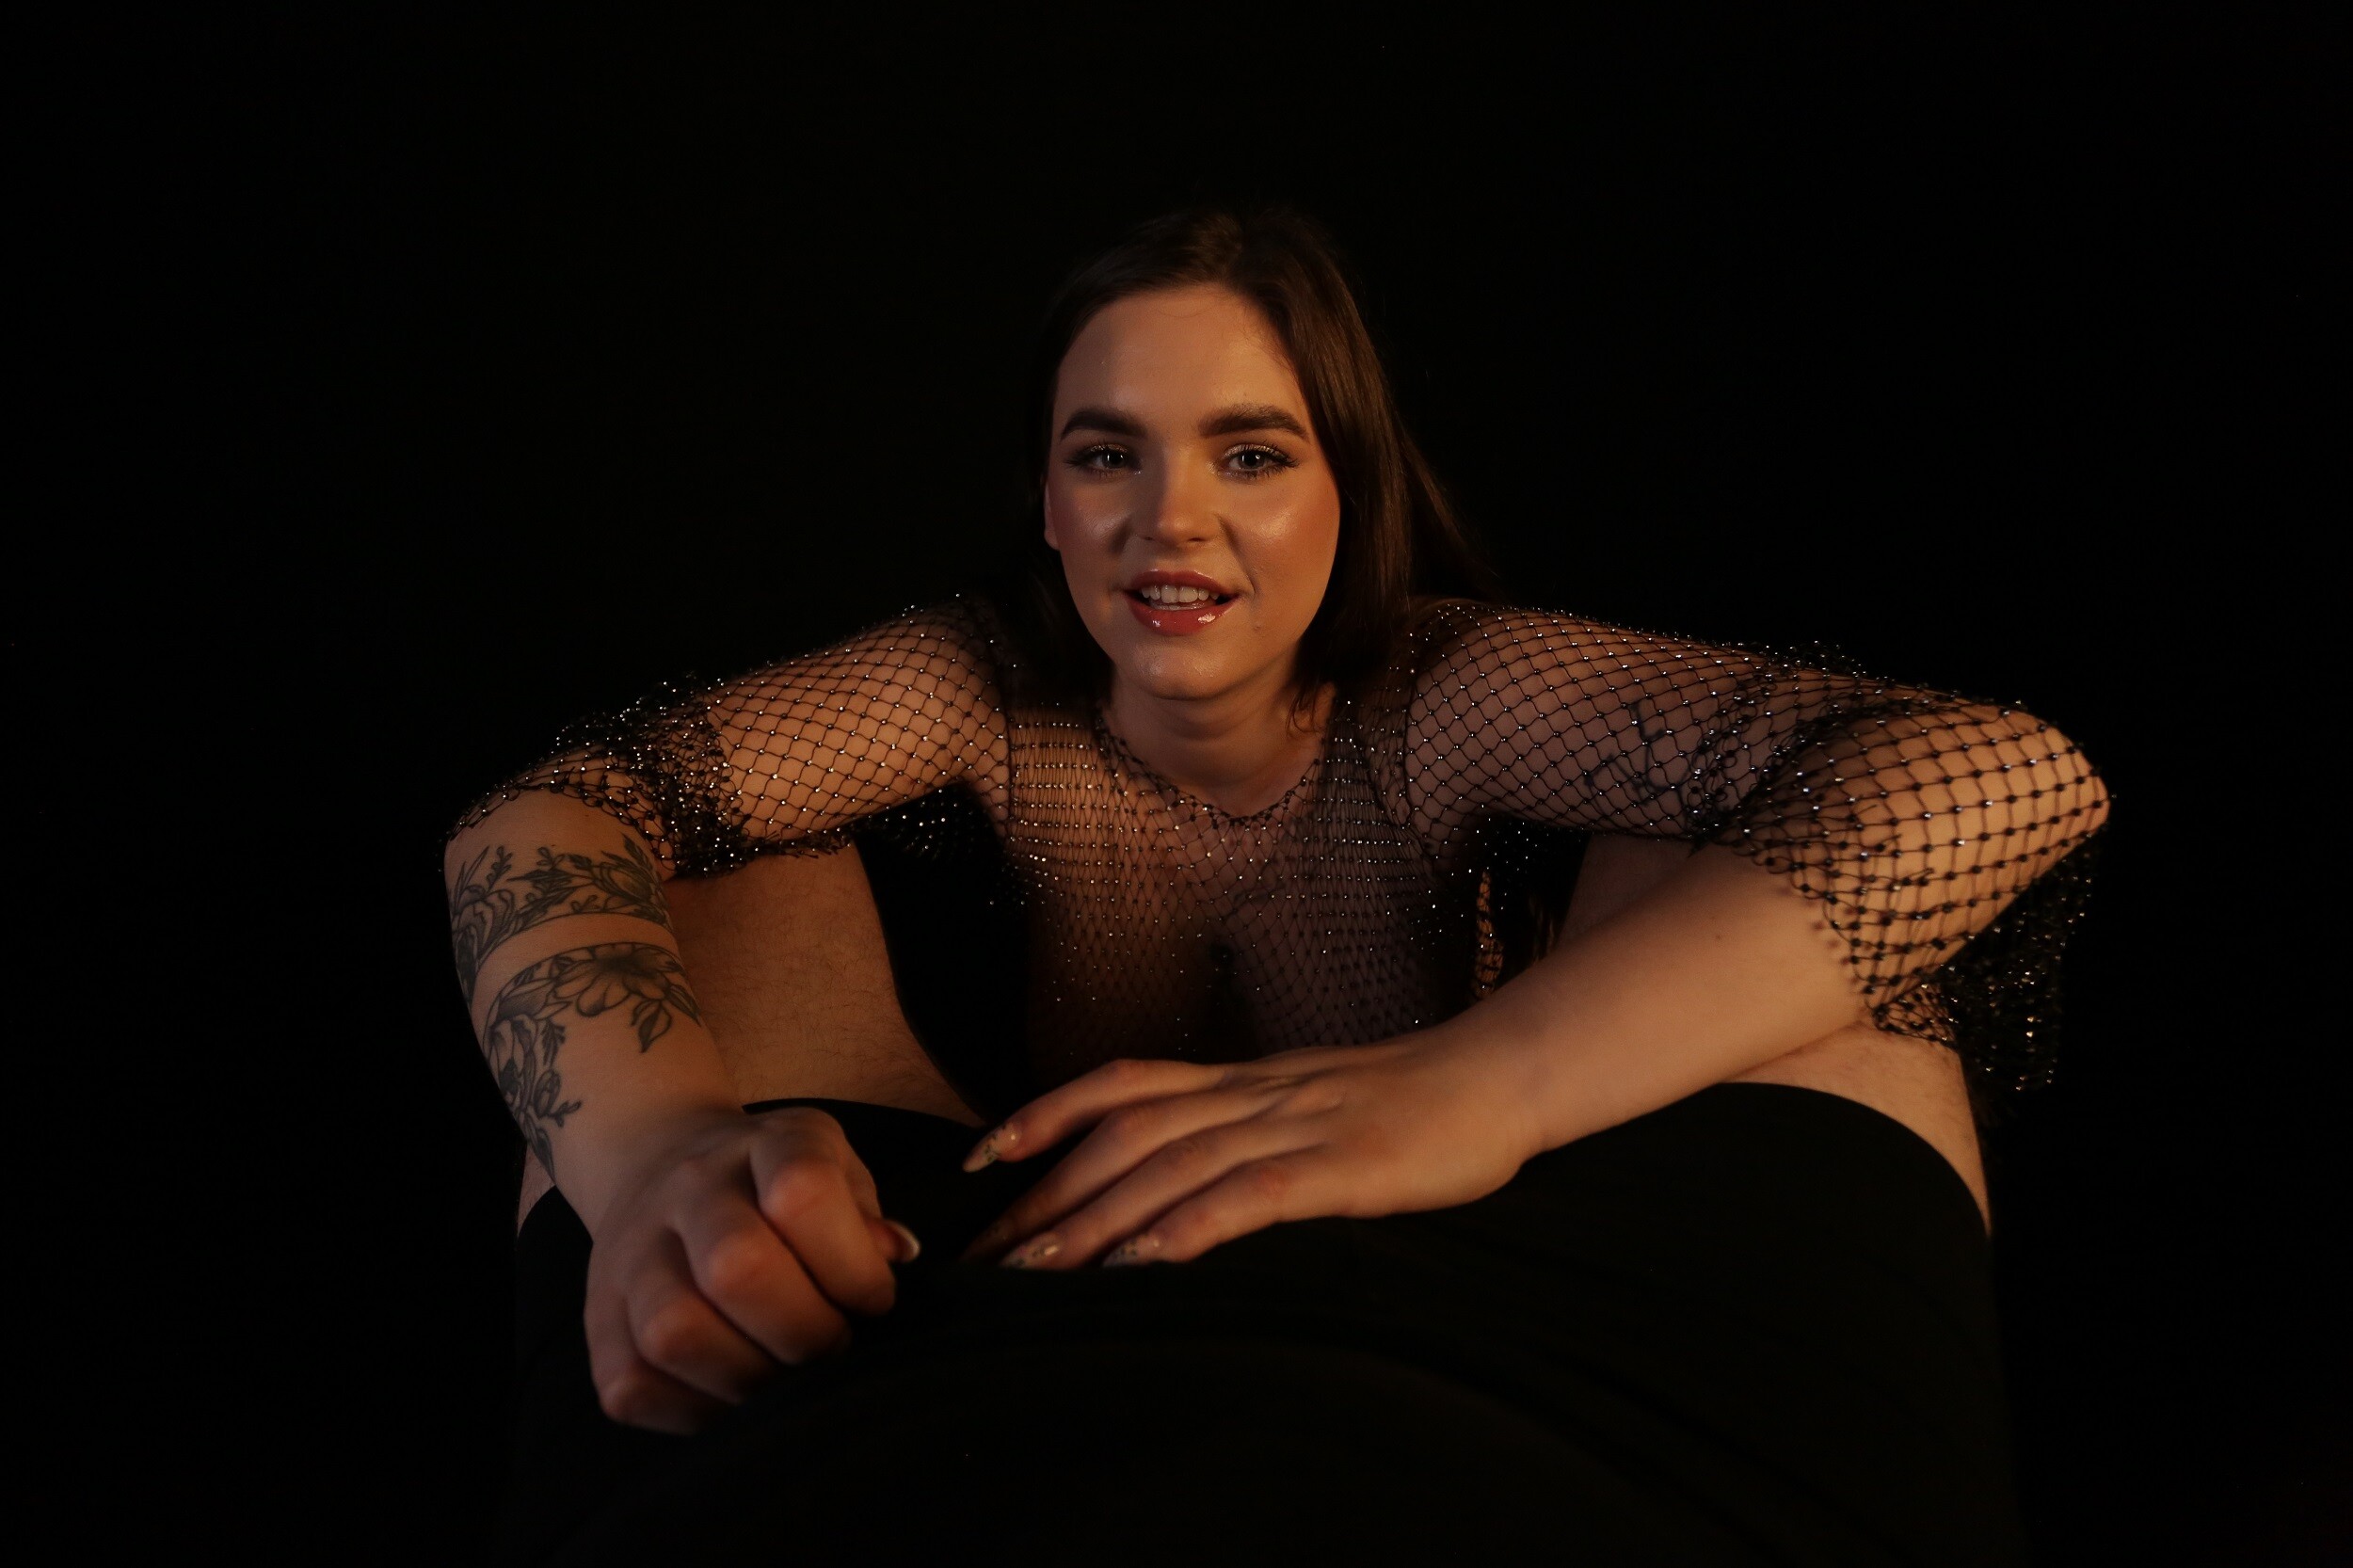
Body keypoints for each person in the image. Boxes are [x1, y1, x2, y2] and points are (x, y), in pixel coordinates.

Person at [447, 208, 2107, 1563]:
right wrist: (655, 1151)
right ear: (1049, 502)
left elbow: (2014, 770)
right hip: (1053, 1304)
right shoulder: (980, 689)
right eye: (1109, 454)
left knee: (1730, 848)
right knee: (724, 874)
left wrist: (1488, 1080)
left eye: (1250, 455)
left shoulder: (1440, 699)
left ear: (1348, 492)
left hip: (1464, 1262)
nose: (1171, 522)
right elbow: (543, 814)